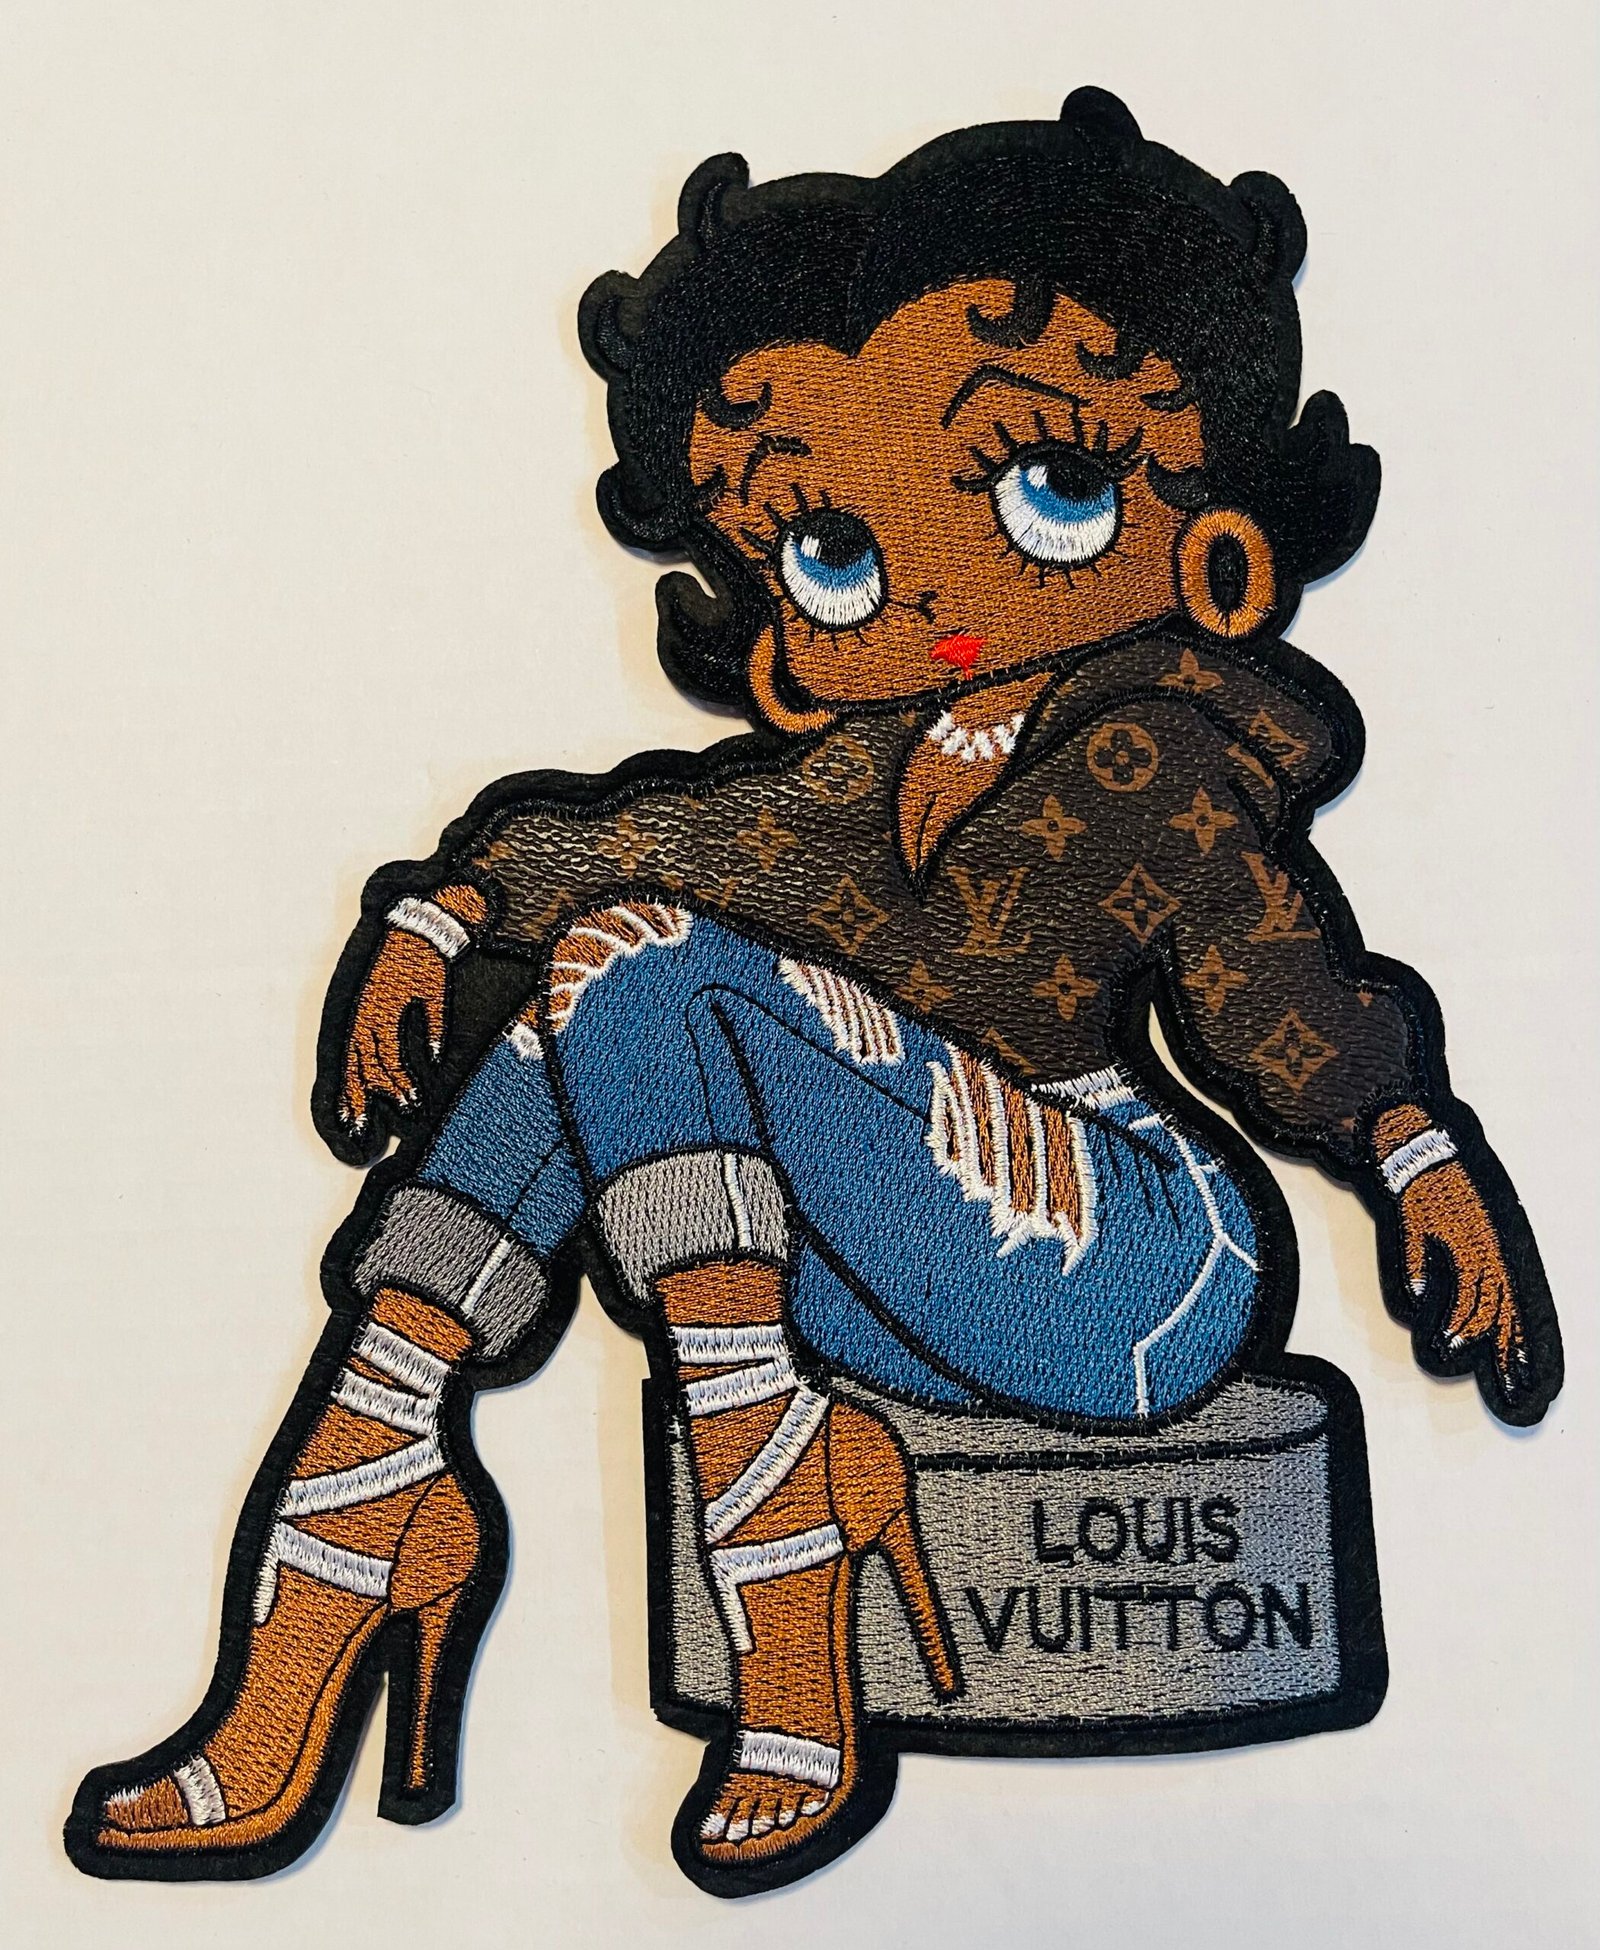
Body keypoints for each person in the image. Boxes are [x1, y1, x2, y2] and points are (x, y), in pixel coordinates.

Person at [73, 89, 1558, 1891]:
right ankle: (380, 1474)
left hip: (1137, 1265)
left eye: (1053, 490)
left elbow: (1270, 978)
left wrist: (1410, 1148)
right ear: (778, 632)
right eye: (834, 551)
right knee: (598, 990)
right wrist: (455, 906)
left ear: (1218, 553)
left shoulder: (1161, 750)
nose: (933, 590)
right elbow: (660, 834)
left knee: (643, 972)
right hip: (903, 1265)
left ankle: (697, 1548)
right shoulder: (851, 783)